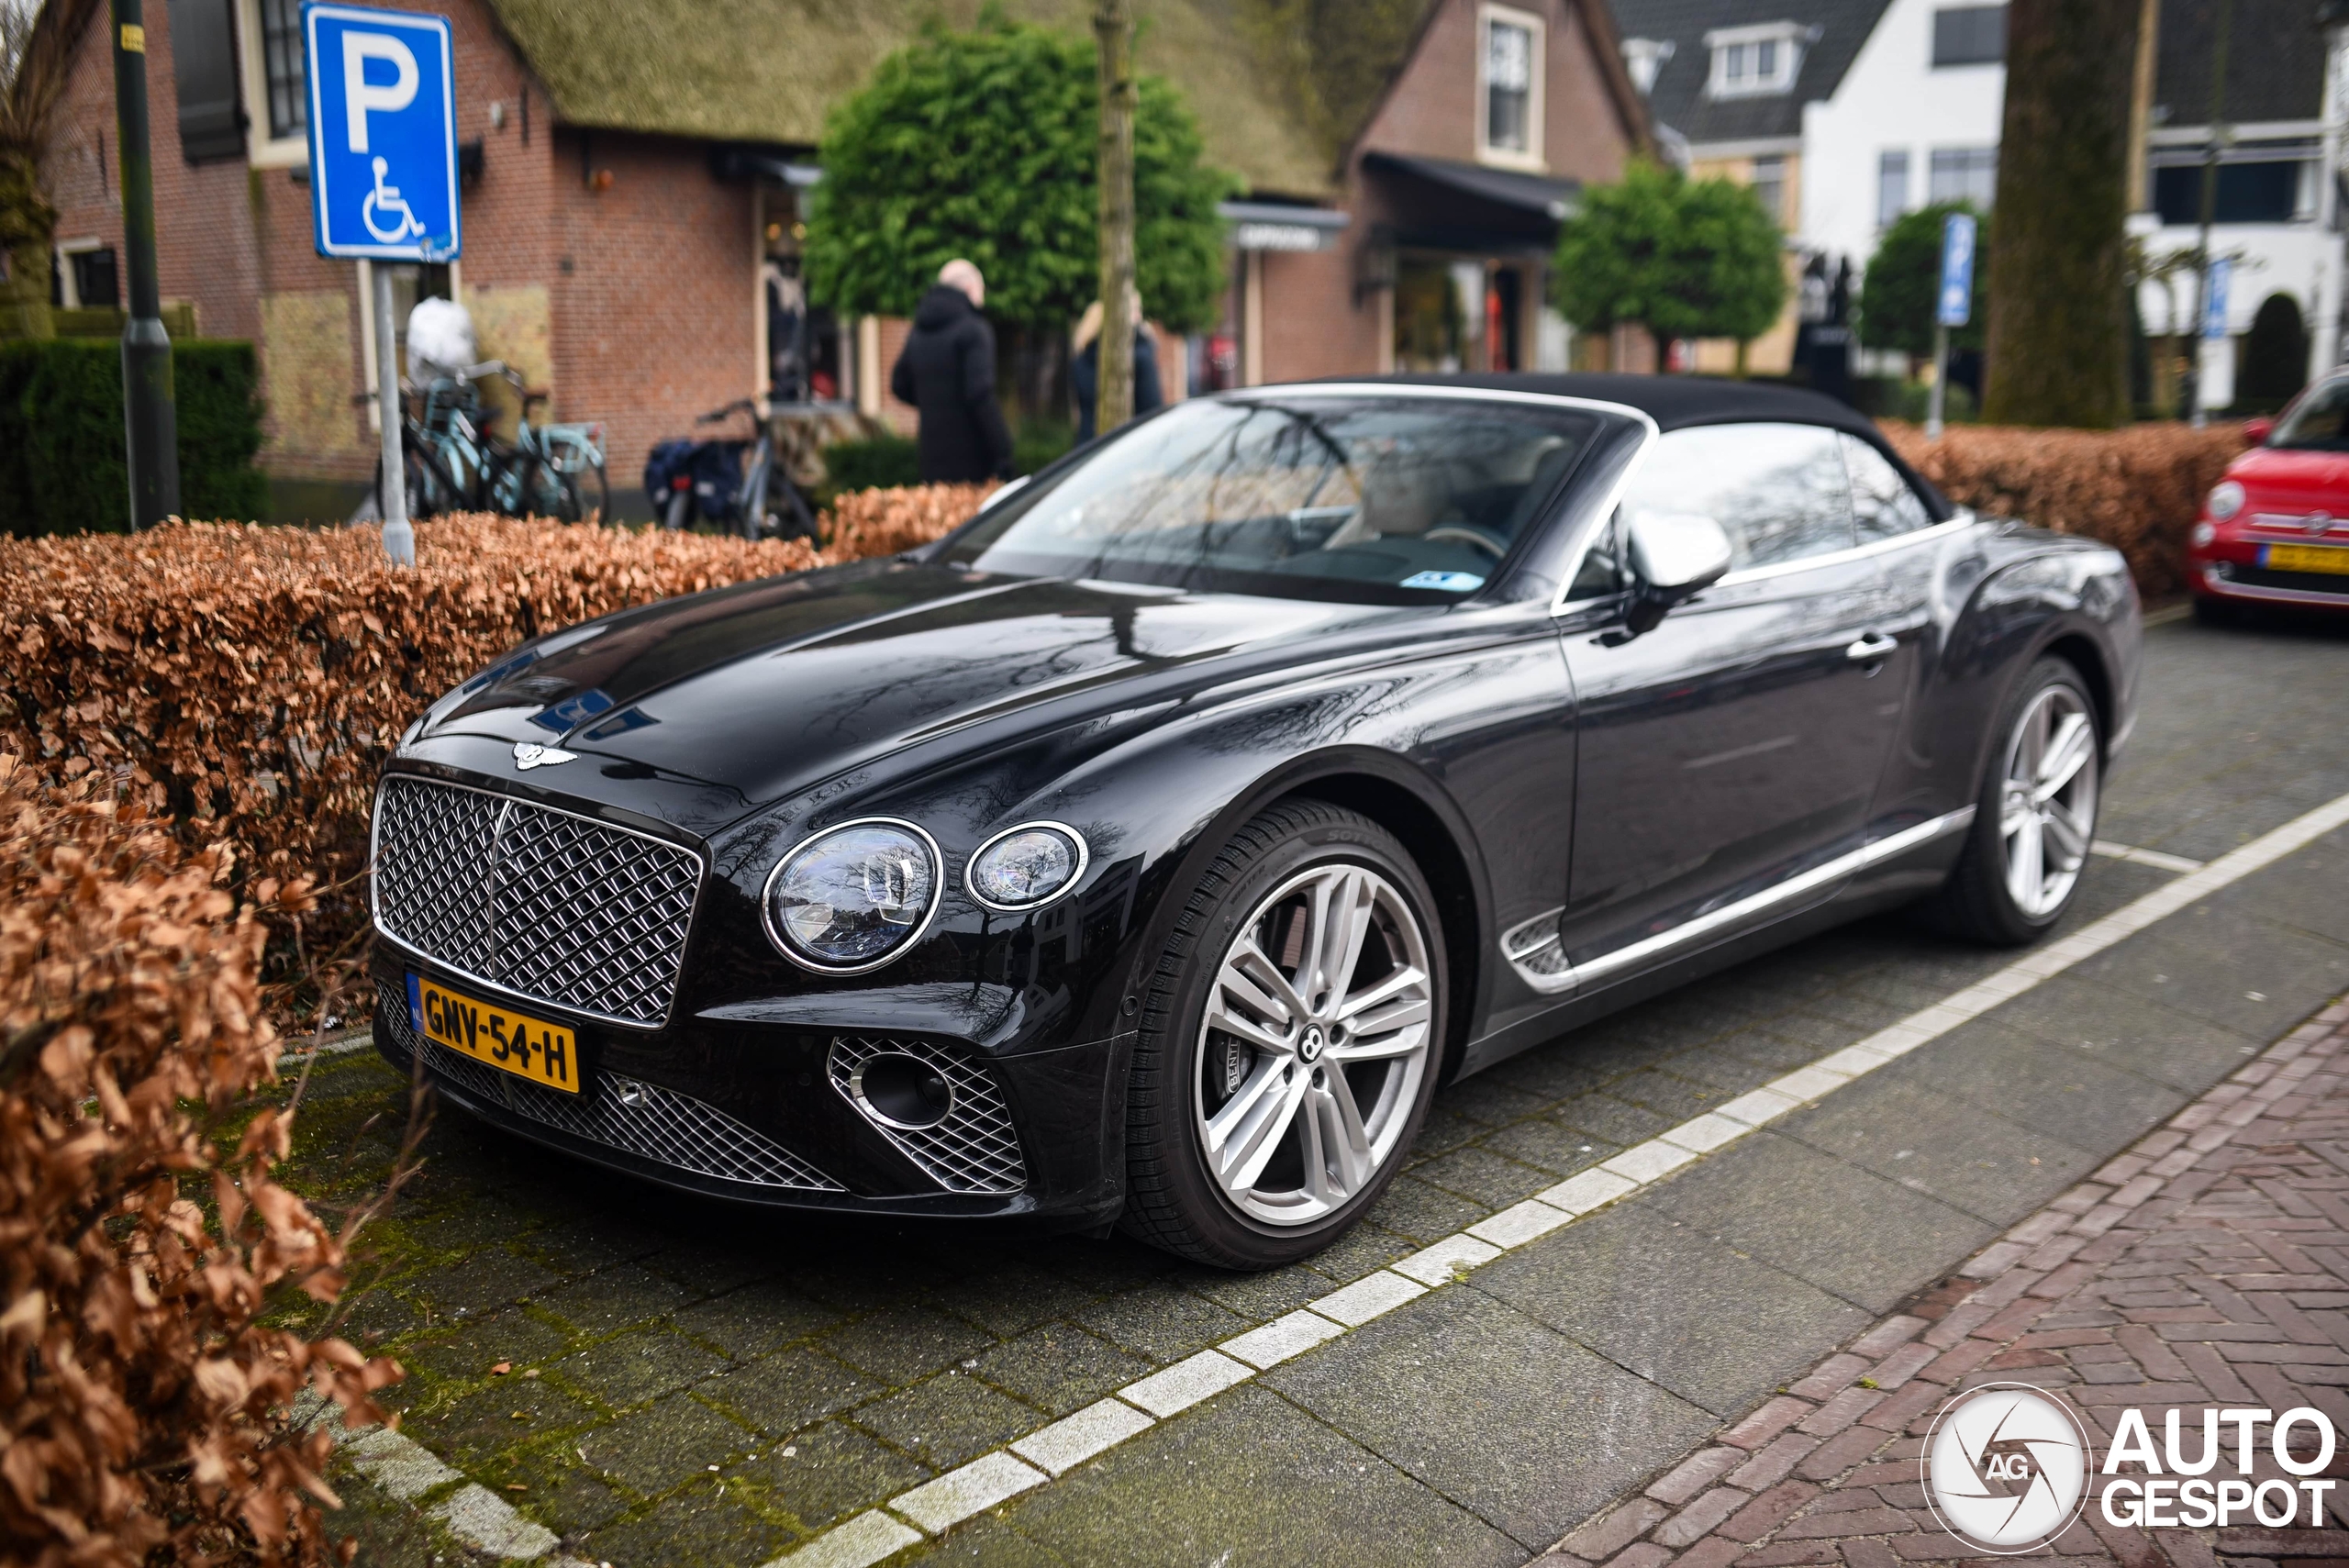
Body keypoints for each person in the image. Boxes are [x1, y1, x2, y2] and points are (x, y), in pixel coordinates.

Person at [890, 259, 1016, 483]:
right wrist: (1003, 450)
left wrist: (934, 402)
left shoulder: (918, 331)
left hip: (930, 458)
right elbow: (980, 394)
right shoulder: (974, 329)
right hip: (974, 461)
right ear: (970, 288)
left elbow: (899, 384)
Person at [1070, 297, 1164, 444]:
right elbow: (1151, 409)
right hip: (1129, 446)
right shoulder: (1140, 355)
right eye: (1136, 310)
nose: (1140, 316)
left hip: (1088, 446)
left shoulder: (1081, 360)